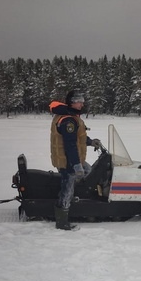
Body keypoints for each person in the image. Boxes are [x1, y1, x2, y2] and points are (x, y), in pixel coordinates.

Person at [49, 89, 101, 230]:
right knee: (67, 188)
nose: (81, 104)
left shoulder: (71, 116)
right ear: (71, 102)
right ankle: (62, 221)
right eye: (79, 101)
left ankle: (79, 201)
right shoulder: (68, 121)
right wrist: (77, 165)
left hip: (72, 159)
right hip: (68, 161)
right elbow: (70, 145)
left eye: (82, 101)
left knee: (90, 171)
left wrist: (90, 142)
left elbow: (79, 138)